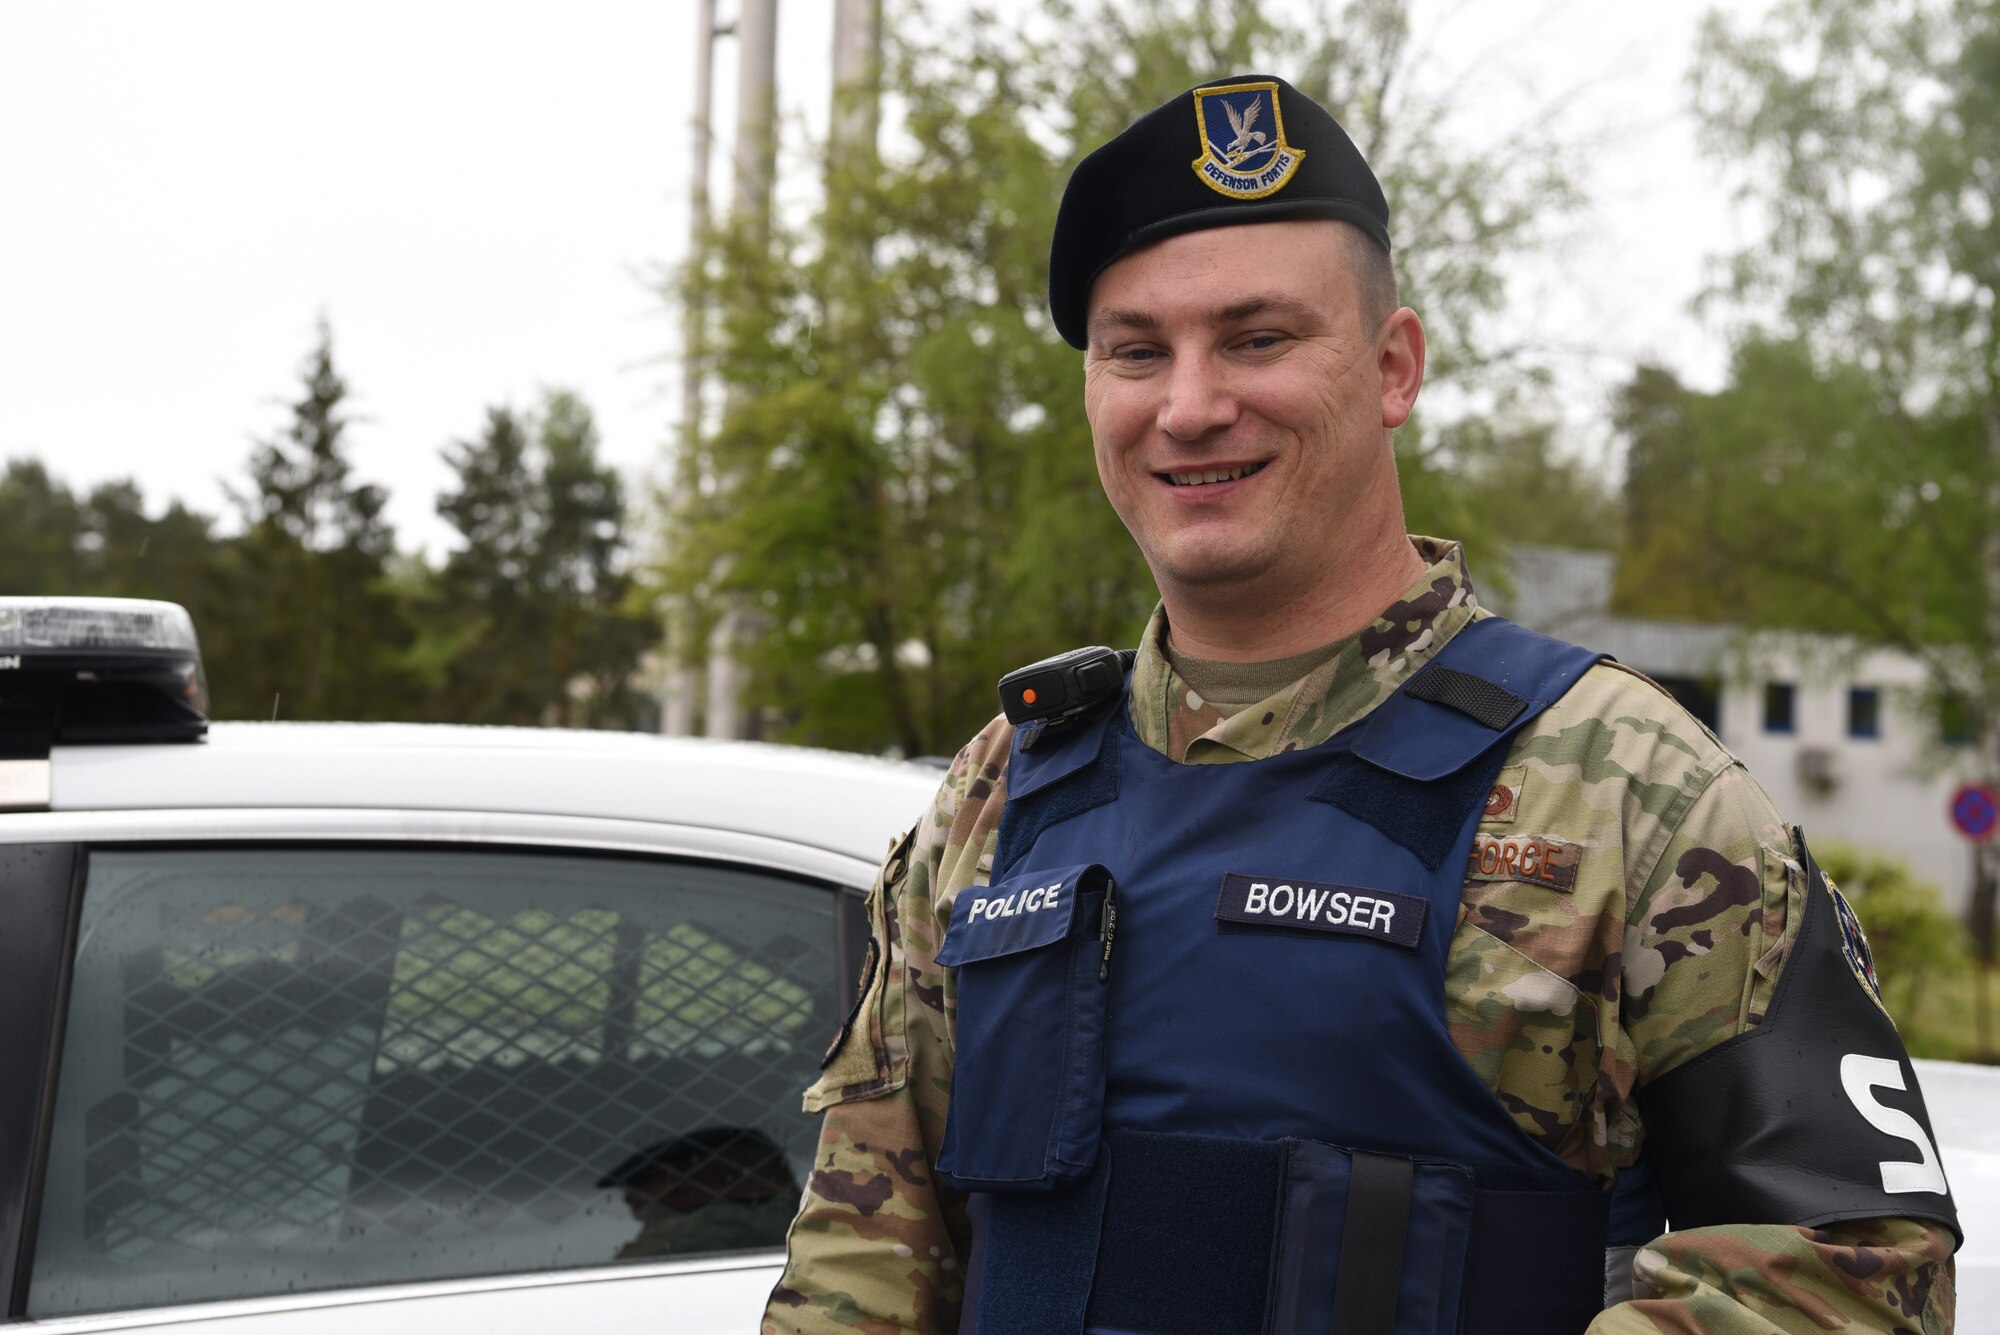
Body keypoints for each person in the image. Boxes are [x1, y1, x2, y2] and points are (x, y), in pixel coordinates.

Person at [764, 74, 1959, 1334]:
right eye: (1134, 351)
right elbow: (861, 1269)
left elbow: (1848, 1270)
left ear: (1393, 368)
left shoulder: (1626, 792)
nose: (1187, 406)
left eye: (1256, 339)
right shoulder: (999, 797)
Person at [597, 1126, 799, 1260]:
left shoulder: (694, 1233)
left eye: (637, 1184)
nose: (627, 1199)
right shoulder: (815, 1219)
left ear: (671, 1179)